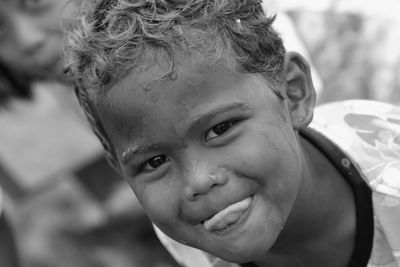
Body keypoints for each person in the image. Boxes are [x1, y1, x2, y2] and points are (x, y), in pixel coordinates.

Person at [64, 0, 400, 266]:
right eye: (155, 162)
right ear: (119, 167)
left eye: (220, 129)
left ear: (293, 93)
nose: (196, 182)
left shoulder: (392, 191)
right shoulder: (193, 225)